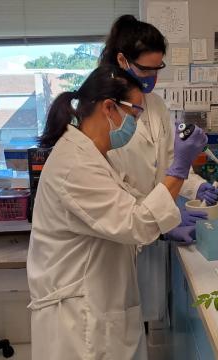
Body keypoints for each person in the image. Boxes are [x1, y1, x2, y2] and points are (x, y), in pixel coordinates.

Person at [27, 65, 207, 360]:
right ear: (109, 107)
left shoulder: (92, 155)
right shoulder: (75, 165)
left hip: (99, 303)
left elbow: (120, 213)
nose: (135, 125)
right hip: (80, 319)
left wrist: (161, 228)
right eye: (134, 115)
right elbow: (135, 223)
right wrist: (179, 169)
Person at [100, 14, 218, 323]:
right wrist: (156, 222)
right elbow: (114, 187)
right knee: (120, 321)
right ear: (123, 60)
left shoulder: (156, 104)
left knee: (146, 318)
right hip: (123, 234)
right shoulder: (107, 111)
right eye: (146, 69)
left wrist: (194, 185)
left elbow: (170, 161)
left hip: (152, 222)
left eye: (157, 69)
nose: (153, 77)